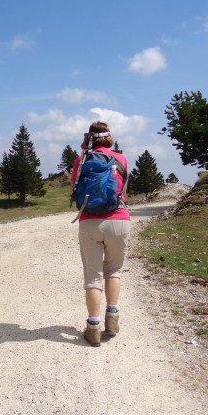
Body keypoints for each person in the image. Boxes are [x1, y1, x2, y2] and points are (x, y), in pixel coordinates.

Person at [70, 122, 131, 347]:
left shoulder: (81, 161)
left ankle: (93, 327)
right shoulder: (121, 159)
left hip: (90, 222)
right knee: (113, 270)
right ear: (109, 138)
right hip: (119, 220)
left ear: (89, 139)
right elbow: (124, 191)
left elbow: (73, 192)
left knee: (92, 278)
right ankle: (112, 319)